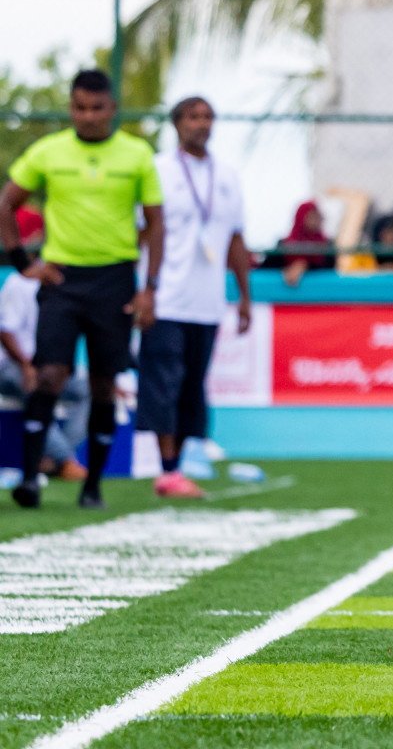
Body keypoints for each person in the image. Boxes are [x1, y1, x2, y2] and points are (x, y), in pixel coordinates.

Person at [0, 69, 163, 510]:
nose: (87, 116)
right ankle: (31, 479)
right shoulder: (48, 152)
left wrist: (148, 288)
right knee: (49, 375)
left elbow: (156, 223)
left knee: (104, 385)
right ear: (71, 108)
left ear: (112, 109)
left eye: (96, 108)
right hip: (62, 280)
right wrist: (22, 263)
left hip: (115, 280)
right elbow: (6, 204)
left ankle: (92, 484)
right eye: (79, 107)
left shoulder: (137, 155)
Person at [137, 97, 253, 500]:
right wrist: (144, 291)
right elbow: (139, 233)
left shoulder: (227, 175)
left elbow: (236, 239)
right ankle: (166, 470)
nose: (201, 124)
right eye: (192, 117)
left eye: (207, 117)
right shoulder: (157, 170)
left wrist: (243, 297)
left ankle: (181, 465)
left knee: (192, 385)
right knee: (162, 383)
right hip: (165, 297)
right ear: (176, 124)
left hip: (206, 302)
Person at [0, 266, 89, 482]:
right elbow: (4, 330)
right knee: (38, 392)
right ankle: (65, 460)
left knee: (89, 391)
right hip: (12, 365)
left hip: (48, 367)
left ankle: (53, 458)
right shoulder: (19, 283)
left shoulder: (69, 285)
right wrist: (25, 366)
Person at [276, 201, 334, 287]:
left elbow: (328, 268)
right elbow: (269, 267)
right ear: (301, 217)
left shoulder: (327, 245)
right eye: (312, 216)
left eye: (318, 216)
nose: (317, 220)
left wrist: (303, 265)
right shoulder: (284, 244)